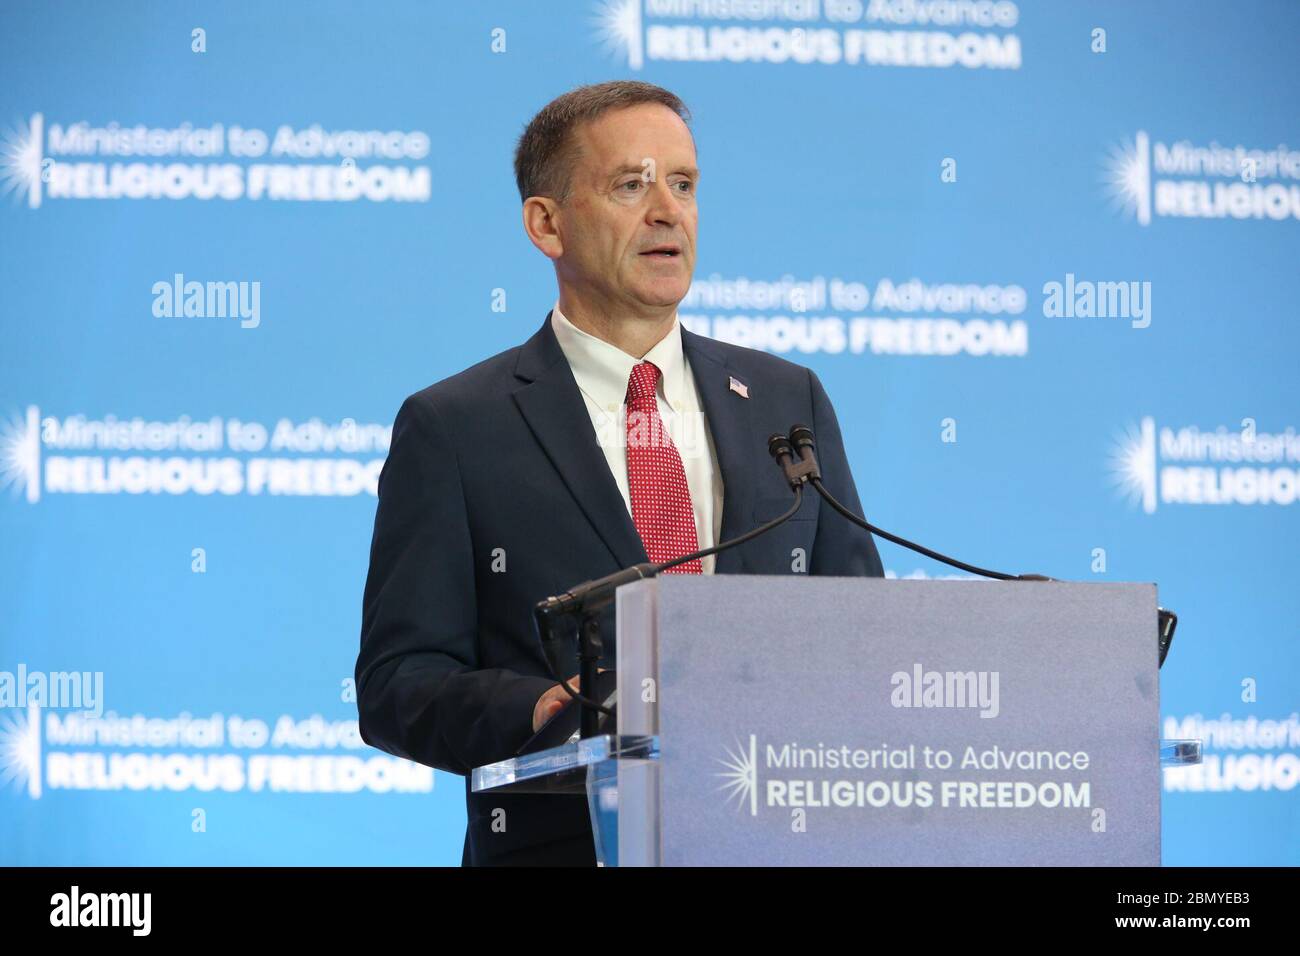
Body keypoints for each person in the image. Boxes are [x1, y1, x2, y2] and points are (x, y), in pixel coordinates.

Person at [355, 80, 883, 866]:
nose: (667, 210)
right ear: (546, 224)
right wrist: (542, 708)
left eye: (684, 184)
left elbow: (862, 633)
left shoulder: (783, 400)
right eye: (631, 185)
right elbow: (399, 682)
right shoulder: (456, 427)